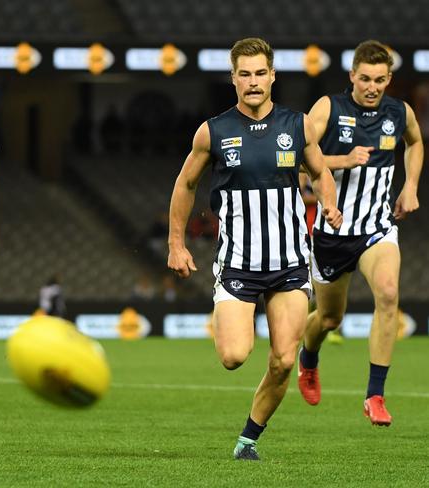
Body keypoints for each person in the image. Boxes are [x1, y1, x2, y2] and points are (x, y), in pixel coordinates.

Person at [168, 38, 342, 461]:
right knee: (233, 357)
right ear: (233, 79)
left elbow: (320, 171)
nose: (253, 81)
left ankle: (248, 439)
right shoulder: (214, 131)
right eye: (244, 74)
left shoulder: (297, 125)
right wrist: (176, 242)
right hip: (238, 265)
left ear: (272, 75)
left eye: (260, 72)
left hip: (289, 265)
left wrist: (331, 203)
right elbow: (186, 184)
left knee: (283, 360)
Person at [297, 40, 424, 426]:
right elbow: (297, 161)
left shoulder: (398, 112)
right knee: (329, 319)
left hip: (376, 228)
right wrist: (342, 160)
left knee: (387, 293)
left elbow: (415, 143)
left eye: (380, 80)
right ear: (352, 75)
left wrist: (411, 186)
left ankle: (375, 395)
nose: (372, 86)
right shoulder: (328, 108)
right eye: (365, 78)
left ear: (389, 79)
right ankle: (309, 357)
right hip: (333, 232)